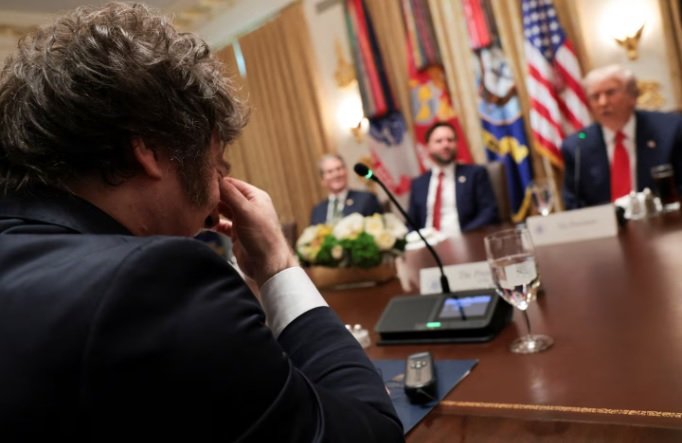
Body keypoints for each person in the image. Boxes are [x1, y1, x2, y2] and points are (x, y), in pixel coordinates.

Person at [0, 4, 403, 442]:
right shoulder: (156, 283)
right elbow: (372, 432)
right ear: (150, 150)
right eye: (216, 166)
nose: (216, 209)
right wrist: (278, 263)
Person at [562, 64, 682, 209]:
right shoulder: (576, 147)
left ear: (632, 96)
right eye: (595, 96)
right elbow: (573, 203)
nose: (603, 103)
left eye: (610, 93)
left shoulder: (671, 130)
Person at [407, 122, 499, 235]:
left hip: (463, 237)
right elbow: (411, 223)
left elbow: (489, 212)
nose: (445, 145)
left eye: (450, 140)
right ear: (428, 147)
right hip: (428, 242)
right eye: (439, 141)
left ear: (456, 144)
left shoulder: (475, 174)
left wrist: (463, 235)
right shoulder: (418, 184)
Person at [309, 154, 383, 225]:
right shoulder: (317, 211)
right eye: (330, 171)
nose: (336, 174)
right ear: (322, 180)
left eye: (339, 169)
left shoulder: (366, 199)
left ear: (346, 171)